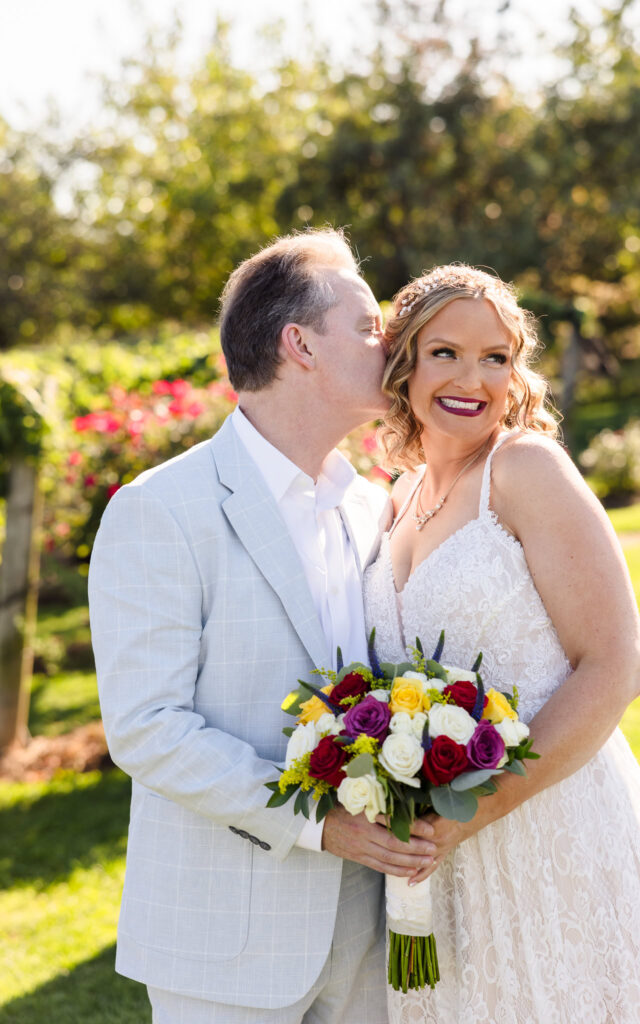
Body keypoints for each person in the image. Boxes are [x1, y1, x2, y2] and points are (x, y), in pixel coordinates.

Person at [88, 228, 438, 1024]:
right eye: (366, 325)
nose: (390, 344)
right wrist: (321, 825)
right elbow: (147, 728)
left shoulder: (369, 501)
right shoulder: (159, 510)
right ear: (299, 344)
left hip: (368, 934)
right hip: (223, 944)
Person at [363, 263, 640, 1023]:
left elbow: (615, 665)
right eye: (445, 352)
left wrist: (480, 806)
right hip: (436, 858)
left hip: (552, 822)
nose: (471, 378)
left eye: (495, 357)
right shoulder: (391, 501)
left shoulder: (524, 468)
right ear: (403, 360)